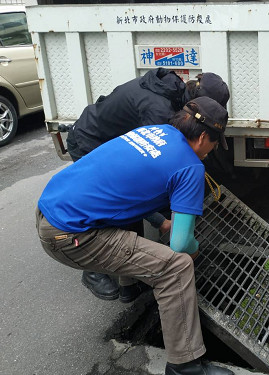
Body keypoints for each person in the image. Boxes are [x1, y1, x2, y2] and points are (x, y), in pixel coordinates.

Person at [36, 96, 237, 375]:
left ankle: (131, 287)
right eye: (215, 143)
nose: (214, 150)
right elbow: (181, 243)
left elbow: (130, 189)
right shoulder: (191, 166)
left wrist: (161, 222)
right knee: (176, 267)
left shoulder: (154, 132)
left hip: (49, 208)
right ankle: (185, 369)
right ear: (204, 136)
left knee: (143, 243)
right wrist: (196, 250)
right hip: (70, 235)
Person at [64, 68, 230, 303]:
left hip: (110, 140)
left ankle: (128, 286)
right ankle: (92, 268)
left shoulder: (175, 95)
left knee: (133, 214)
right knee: (117, 207)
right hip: (90, 141)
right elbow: (143, 183)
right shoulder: (160, 113)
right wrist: (162, 222)